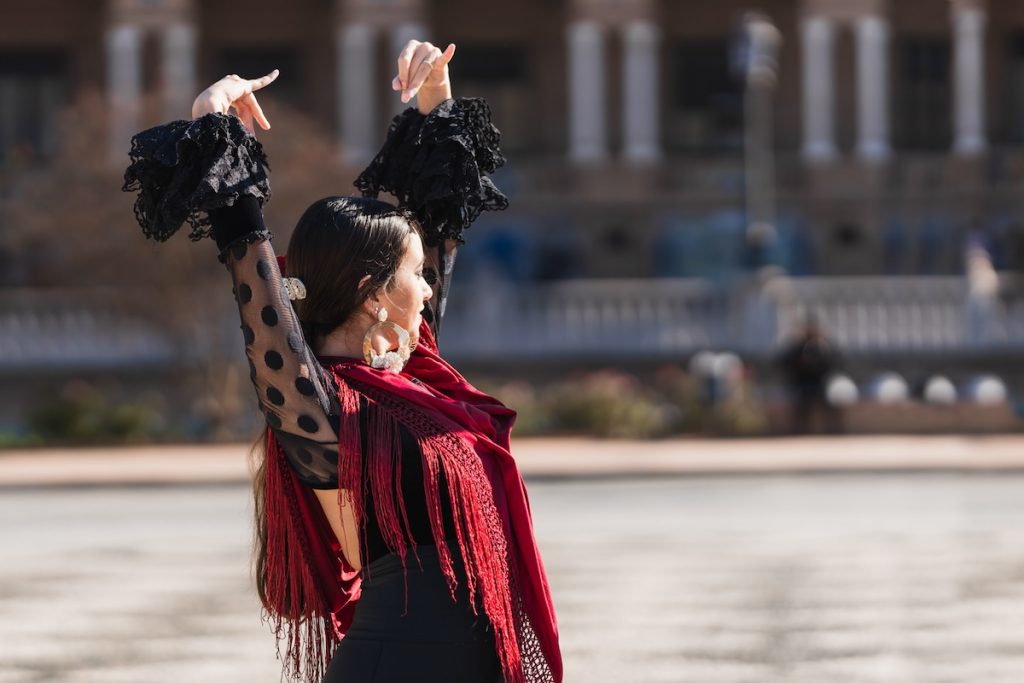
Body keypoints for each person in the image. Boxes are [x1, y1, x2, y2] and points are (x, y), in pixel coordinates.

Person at [123, 39, 561, 683]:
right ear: (373, 294)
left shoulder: (412, 381)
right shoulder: (321, 408)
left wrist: (434, 97)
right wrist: (212, 124)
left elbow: (438, 221)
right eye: (417, 276)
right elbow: (259, 292)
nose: (432, 286)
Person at [777, 317, 841, 434]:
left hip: (819, 384)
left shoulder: (823, 346)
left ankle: (834, 431)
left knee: (830, 404)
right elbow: (783, 363)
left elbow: (833, 364)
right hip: (801, 384)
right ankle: (799, 431)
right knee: (801, 405)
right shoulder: (797, 348)